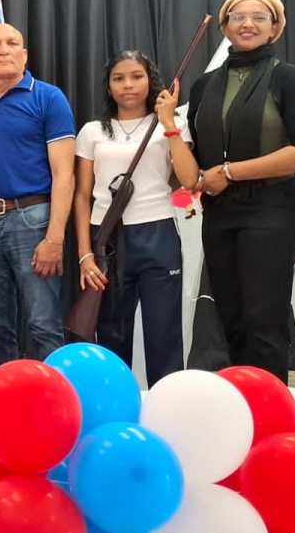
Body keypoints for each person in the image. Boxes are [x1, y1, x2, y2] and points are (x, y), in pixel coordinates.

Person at [186, 0, 295, 383]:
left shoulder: (290, 78)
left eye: (259, 17)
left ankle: (269, 407)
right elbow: (198, 156)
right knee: (230, 318)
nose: (248, 24)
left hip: (274, 209)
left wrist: (230, 172)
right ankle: (242, 402)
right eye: (238, 17)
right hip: (220, 213)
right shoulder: (203, 85)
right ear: (225, 26)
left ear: (275, 27)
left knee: (264, 319)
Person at [74, 51, 200, 385]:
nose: (127, 85)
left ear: (150, 81)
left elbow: (189, 179)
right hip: (108, 238)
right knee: (111, 334)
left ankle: (168, 404)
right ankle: (116, 403)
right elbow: (82, 195)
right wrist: (85, 254)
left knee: (164, 332)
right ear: (108, 86)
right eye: (118, 78)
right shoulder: (91, 131)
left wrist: (169, 123)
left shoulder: (172, 123)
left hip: (158, 233)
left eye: (136, 76)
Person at [0, 23, 76, 373]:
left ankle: (57, 398)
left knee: (43, 323)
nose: (3, 49)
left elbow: (65, 174)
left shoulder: (48, 98)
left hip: (34, 220)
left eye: (12, 43)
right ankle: (3, 399)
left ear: (24, 55)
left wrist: (55, 237)